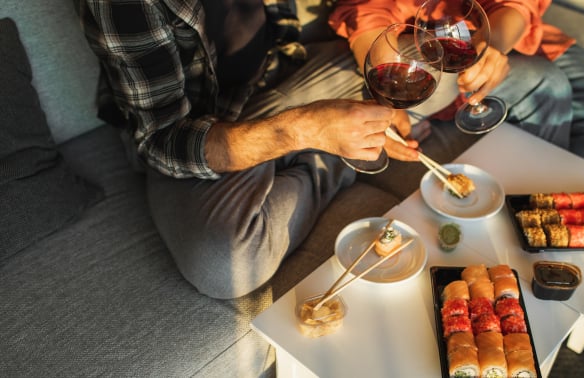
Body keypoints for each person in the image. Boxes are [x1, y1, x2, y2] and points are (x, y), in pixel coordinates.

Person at [74, 0, 430, 299]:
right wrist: (302, 129)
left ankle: (330, 141)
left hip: (279, 76)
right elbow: (161, 140)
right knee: (224, 265)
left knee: (425, 66)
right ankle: (330, 153)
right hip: (199, 131)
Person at [329, 0, 584, 162]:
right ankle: (537, 206)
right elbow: (367, 12)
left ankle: (563, 195)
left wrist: (494, 45)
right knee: (548, 87)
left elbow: (518, 4)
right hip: (424, 37)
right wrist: (390, 91)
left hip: (496, 27)